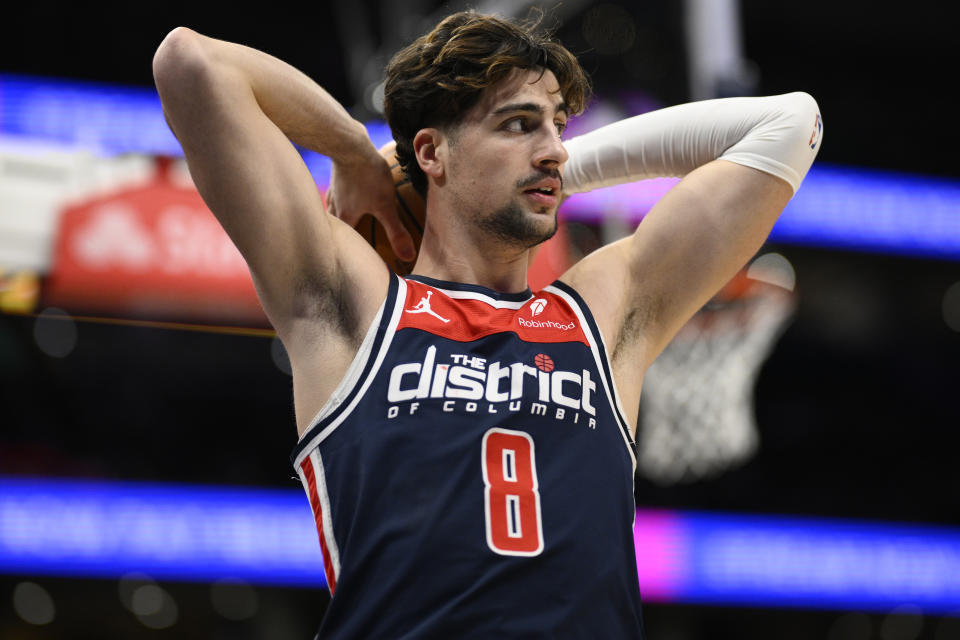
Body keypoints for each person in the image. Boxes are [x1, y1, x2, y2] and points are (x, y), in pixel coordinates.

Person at [153, 10, 821, 639]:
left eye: (558, 126)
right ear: (433, 154)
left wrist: (558, 172)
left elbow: (791, 124)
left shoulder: (603, 312)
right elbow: (191, 63)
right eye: (518, 125)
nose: (554, 148)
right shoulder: (355, 308)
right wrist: (354, 151)